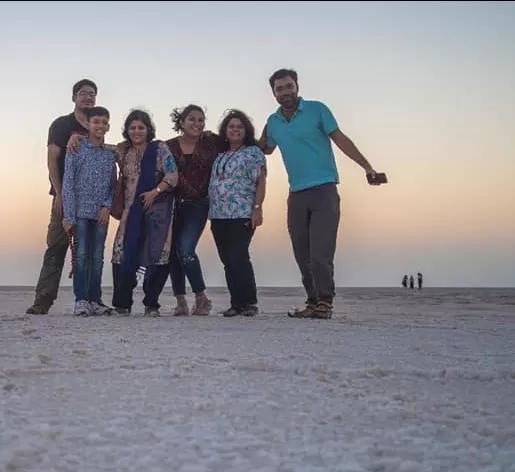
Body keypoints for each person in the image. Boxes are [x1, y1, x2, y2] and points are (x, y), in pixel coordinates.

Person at [258, 68, 385, 320]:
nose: (285, 92)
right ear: (273, 93)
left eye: (289, 86)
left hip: (324, 190)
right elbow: (263, 148)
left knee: (321, 252)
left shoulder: (317, 110)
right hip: (296, 194)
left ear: (297, 87)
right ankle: (313, 301)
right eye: (279, 88)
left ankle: (325, 302)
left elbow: (341, 140)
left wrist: (367, 167)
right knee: (301, 253)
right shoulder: (273, 122)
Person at [26, 79, 98, 315]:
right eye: (83, 93)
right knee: (56, 246)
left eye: (92, 94)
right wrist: (58, 193)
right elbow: (52, 159)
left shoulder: (97, 125)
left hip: (90, 200)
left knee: (88, 250)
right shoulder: (62, 124)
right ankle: (42, 301)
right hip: (64, 196)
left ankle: (88, 301)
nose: (88, 97)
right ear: (74, 97)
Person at [109, 109, 179, 316]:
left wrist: (154, 192)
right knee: (120, 254)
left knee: (158, 254)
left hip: (157, 211)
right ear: (127, 131)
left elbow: (173, 174)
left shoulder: (159, 149)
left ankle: (151, 303)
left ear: (148, 129)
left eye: (141, 127)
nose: (137, 131)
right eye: (132, 127)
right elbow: (101, 147)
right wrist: (78, 137)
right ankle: (122, 304)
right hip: (130, 213)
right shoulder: (124, 152)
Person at [208, 109, 266, 317]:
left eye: (240, 126)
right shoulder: (221, 154)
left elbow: (261, 181)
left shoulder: (253, 152)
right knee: (227, 260)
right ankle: (236, 303)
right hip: (217, 214)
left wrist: (257, 208)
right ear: (225, 130)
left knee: (238, 256)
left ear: (246, 131)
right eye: (231, 126)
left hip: (241, 212)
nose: (235, 130)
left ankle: (249, 302)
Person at [61, 106, 117, 316]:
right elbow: (68, 182)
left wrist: (107, 205)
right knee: (81, 255)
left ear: (108, 126)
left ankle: (95, 299)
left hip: (101, 214)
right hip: (80, 213)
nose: (100, 126)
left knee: (98, 257)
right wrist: (68, 215)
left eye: (104, 122)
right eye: (96, 122)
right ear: (88, 124)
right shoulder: (76, 149)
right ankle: (81, 299)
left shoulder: (109, 155)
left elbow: (113, 184)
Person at [164, 104, 219, 316]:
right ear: (182, 122)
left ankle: (201, 297)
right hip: (174, 204)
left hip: (199, 204)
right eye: (192, 119)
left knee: (186, 249)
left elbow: (238, 138)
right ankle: (181, 302)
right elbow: (135, 148)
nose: (197, 123)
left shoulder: (212, 142)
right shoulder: (167, 146)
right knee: (173, 254)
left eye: (201, 120)